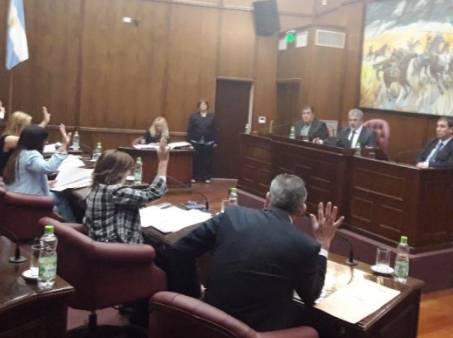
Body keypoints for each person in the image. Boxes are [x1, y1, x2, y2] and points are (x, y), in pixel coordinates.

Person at [169, 174, 344, 332]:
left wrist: (194, 295)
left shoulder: (231, 216)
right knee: (322, 323)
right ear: (301, 209)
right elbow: (311, 296)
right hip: (256, 332)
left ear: (268, 198)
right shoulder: (304, 245)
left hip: (208, 322)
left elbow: (180, 250)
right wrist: (323, 245)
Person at [85, 141, 169, 244]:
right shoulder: (116, 192)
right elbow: (154, 193)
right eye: (128, 169)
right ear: (118, 172)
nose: (129, 172)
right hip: (118, 247)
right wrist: (163, 162)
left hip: (100, 244)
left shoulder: (96, 188)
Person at [3, 124, 76, 221]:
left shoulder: (19, 152)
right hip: (29, 198)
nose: (45, 142)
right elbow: (48, 167)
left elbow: (25, 177)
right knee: (62, 198)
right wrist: (64, 146)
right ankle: (70, 226)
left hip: (19, 194)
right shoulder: (31, 155)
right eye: (44, 140)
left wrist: (46, 183)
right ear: (36, 141)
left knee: (58, 194)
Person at [0, 106, 51, 175]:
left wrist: (44, 122)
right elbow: (30, 137)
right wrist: (44, 122)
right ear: (18, 126)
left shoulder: (17, 138)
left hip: (16, 174)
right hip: (6, 176)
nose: (29, 128)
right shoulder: (7, 139)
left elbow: (31, 135)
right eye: (27, 126)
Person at [186, 99, 217, 183]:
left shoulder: (212, 116)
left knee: (207, 160)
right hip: (195, 141)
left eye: (204, 104)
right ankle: (194, 177)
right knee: (196, 160)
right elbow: (190, 129)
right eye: (201, 105)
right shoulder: (193, 116)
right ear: (198, 106)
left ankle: (206, 177)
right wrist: (188, 142)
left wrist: (215, 141)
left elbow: (215, 129)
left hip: (208, 142)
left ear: (207, 106)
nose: (203, 106)